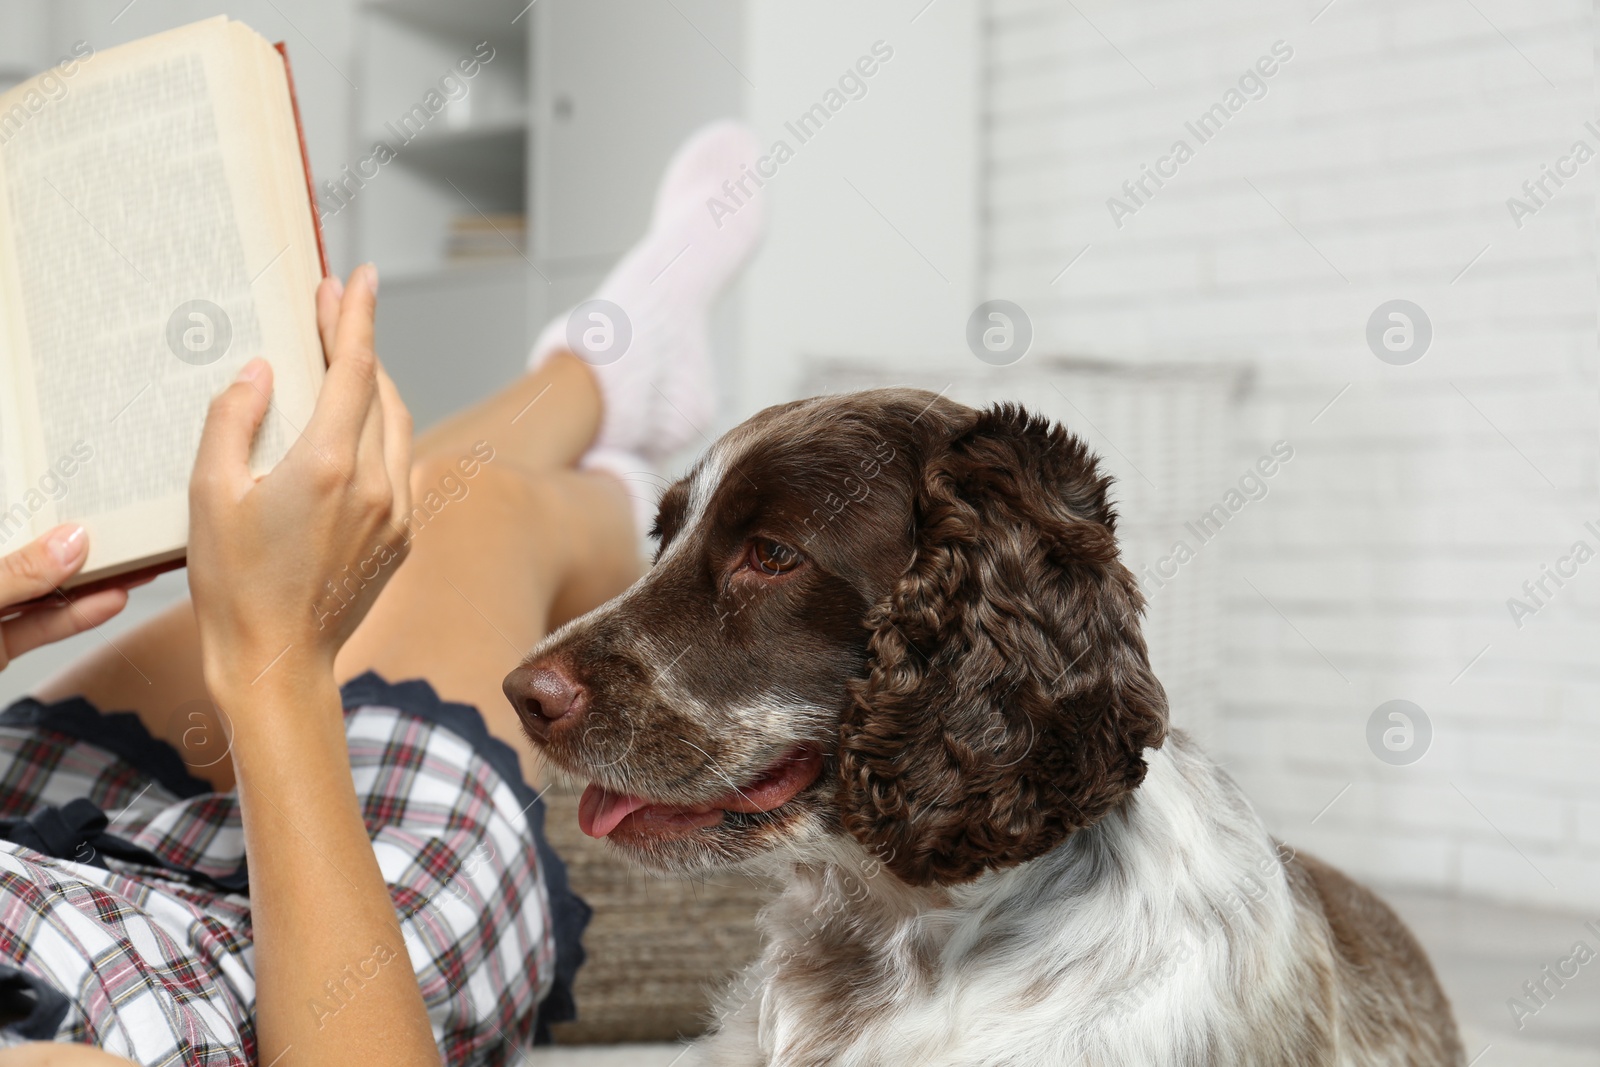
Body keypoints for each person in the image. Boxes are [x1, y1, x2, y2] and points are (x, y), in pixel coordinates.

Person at [0, 121, 765, 1065]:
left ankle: (605, 391)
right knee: (476, 506)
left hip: (31, 849)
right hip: (291, 978)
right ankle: (614, 433)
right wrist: (273, 667)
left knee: (356, 515)